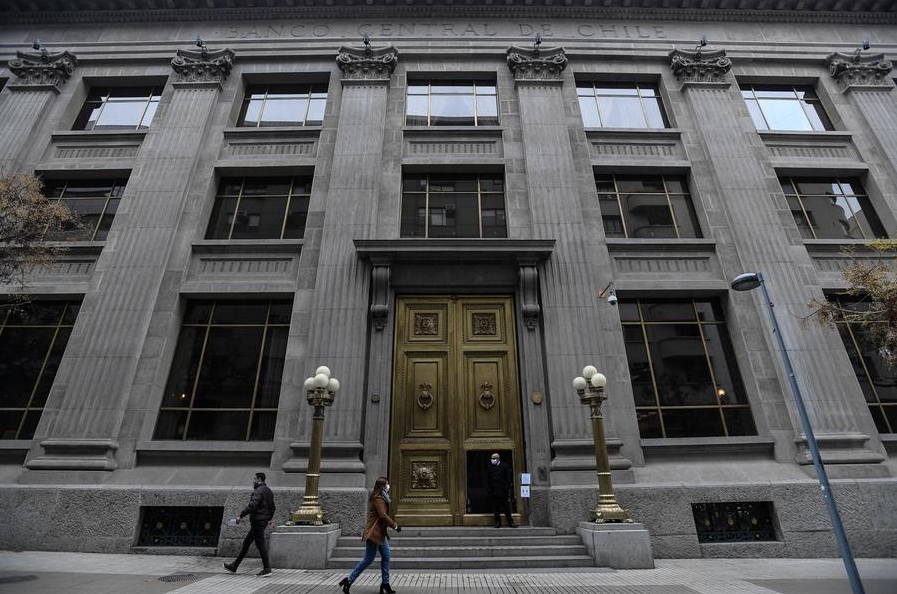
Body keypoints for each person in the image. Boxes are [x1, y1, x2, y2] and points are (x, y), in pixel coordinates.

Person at [339, 477, 401, 594]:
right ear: (382, 486)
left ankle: (385, 584)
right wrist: (395, 526)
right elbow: (382, 515)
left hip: (380, 533)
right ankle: (348, 580)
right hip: (374, 533)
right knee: (368, 559)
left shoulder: (382, 497)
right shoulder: (378, 498)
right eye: (387, 484)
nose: (388, 486)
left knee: (386, 556)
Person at [224, 472, 276, 577]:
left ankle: (267, 568)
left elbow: (252, 505)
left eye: (255, 479)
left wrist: (241, 515)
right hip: (262, 521)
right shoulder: (269, 491)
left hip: (258, 521)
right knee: (247, 542)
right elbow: (273, 507)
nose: (253, 481)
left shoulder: (258, 491)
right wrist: (269, 518)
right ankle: (234, 566)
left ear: (259, 479)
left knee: (260, 544)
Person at [486, 452, 516, 528]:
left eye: (494, 458)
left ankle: (510, 521)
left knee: (507, 508)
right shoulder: (490, 467)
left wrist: (507, 489)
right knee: (496, 508)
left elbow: (508, 479)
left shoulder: (504, 466)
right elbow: (487, 480)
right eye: (492, 458)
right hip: (494, 492)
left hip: (503, 492)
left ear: (498, 459)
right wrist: (488, 490)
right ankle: (497, 522)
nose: (492, 460)